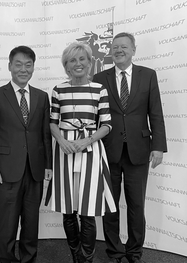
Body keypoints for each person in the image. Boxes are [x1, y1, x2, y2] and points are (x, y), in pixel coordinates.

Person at [93, 32, 167, 263]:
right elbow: (94, 115)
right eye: (115, 47)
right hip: (109, 150)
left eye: (124, 47)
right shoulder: (99, 77)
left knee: (137, 207)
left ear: (133, 50)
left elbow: (155, 112)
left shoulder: (148, 75)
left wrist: (158, 146)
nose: (119, 50)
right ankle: (114, 252)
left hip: (139, 150)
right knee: (109, 207)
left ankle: (135, 252)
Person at [45, 42, 116, 263]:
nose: (78, 64)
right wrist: (61, 141)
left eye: (82, 59)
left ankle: (87, 258)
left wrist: (87, 140)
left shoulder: (99, 89)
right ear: (66, 66)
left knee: (87, 209)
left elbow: (106, 124)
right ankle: (76, 254)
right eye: (72, 60)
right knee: (68, 209)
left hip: (90, 150)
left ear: (89, 62)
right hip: (65, 151)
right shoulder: (58, 90)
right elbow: (53, 122)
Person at [0, 45, 52, 263]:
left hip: (35, 170)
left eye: (28, 65)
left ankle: (29, 259)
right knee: (8, 223)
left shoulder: (41, 97)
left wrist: (48, 165)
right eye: (18, 64)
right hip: (6, 170)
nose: (23, 69)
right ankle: (8, 260)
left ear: (33, 67)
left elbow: (45, 135)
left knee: (31, 222)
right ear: (10, 66)